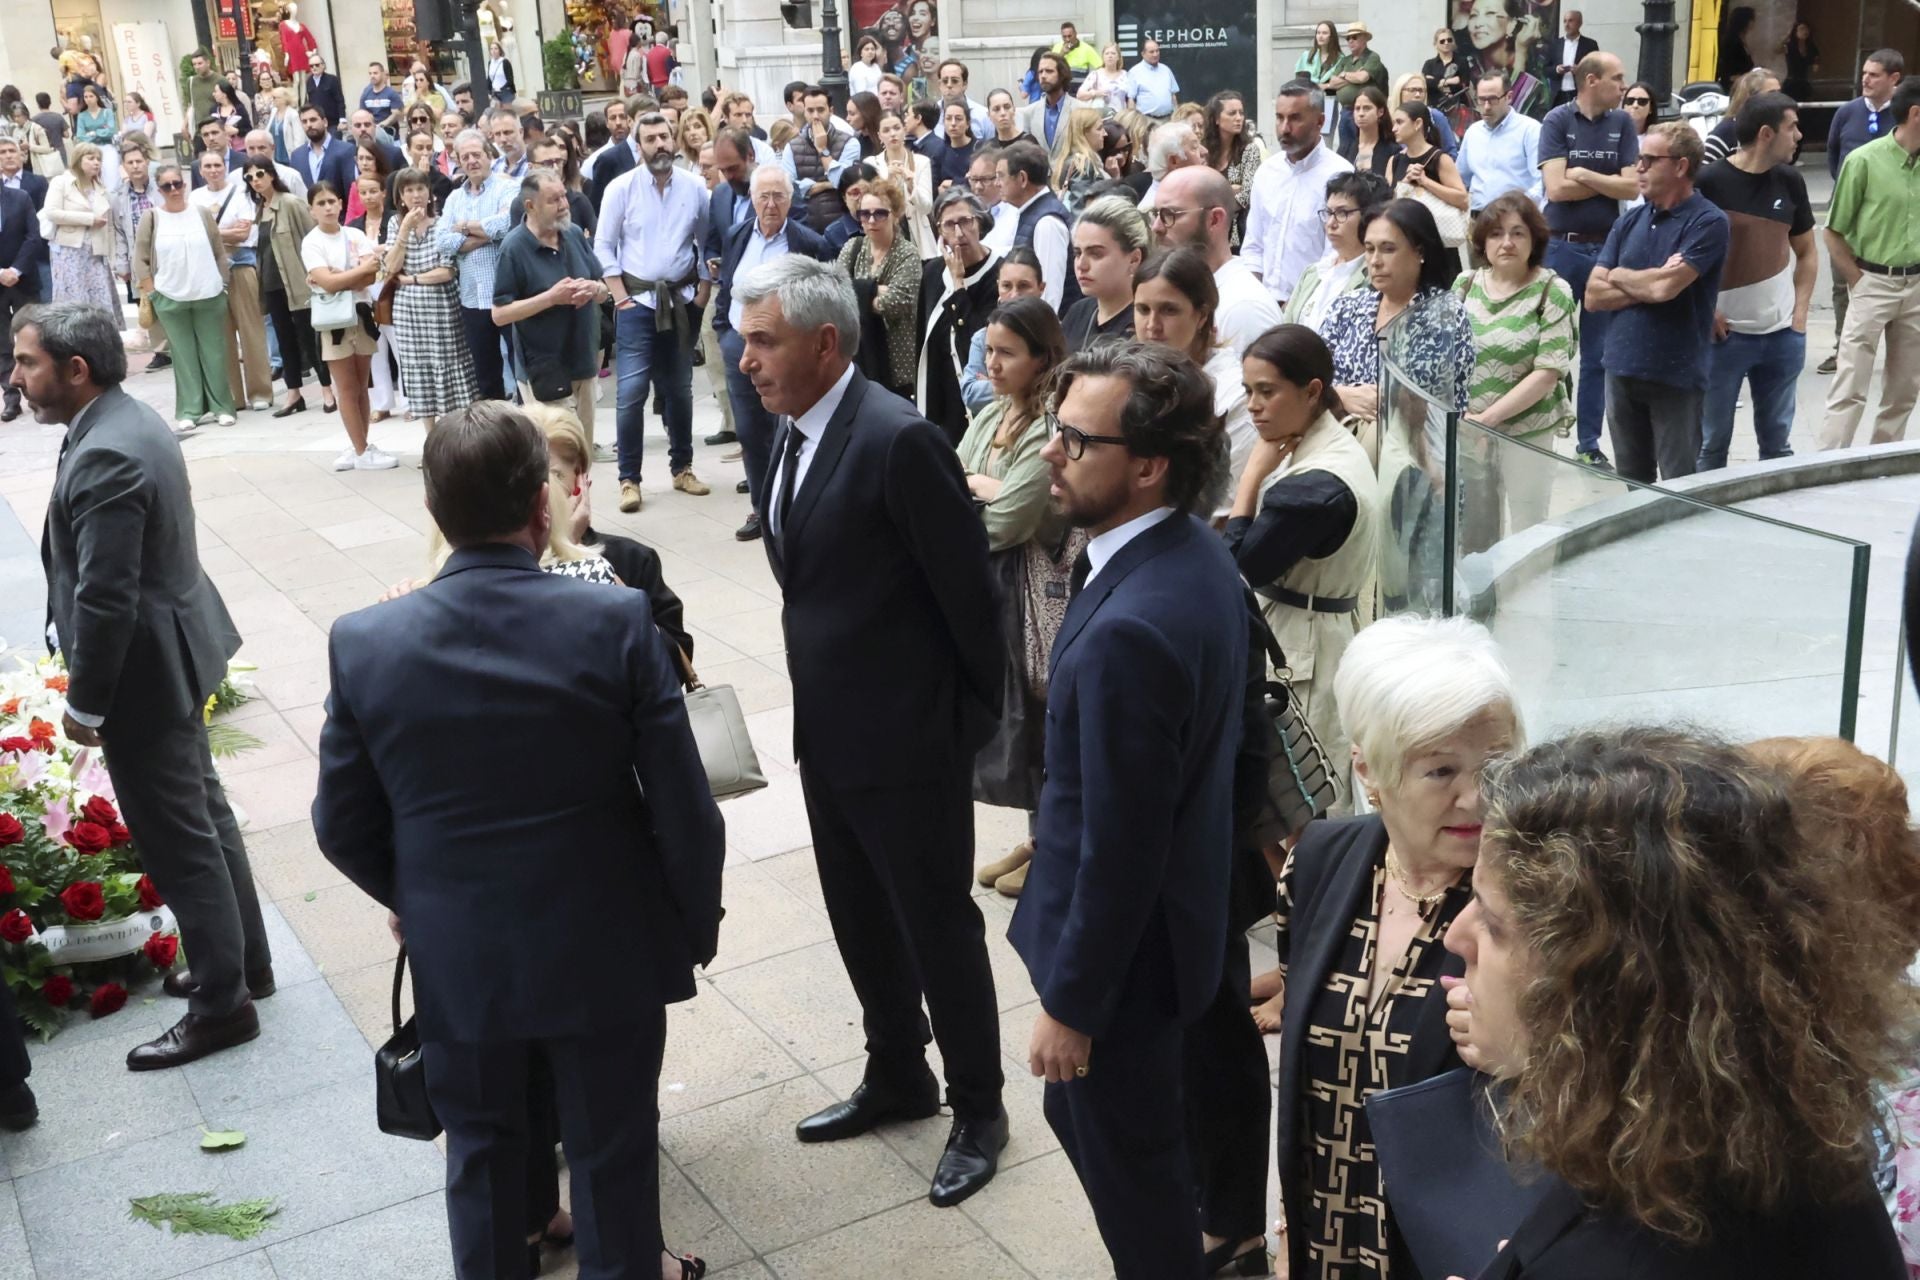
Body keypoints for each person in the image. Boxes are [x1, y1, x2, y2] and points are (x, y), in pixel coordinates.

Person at [312, 401, 722, 1280]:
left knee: (484, 1158)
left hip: (460, 952)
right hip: (603, 940)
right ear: (543, 505)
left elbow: (339, 822)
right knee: (613, 1156)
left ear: (434, 509)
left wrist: (417, 895)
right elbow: (686, 807)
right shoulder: (614, 622)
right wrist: (693, 925)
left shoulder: (365, 641)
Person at [737, 254, 1008, 1207]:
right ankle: (898, 1069)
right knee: (858, 913)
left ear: (825, 343)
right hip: (830, 733)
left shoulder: (898, 439)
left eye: (763, 341)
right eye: (743, 340)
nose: (745, 361)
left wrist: (959, 727)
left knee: (935, 923)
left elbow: (972, 601)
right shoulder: (790, 430)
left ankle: (981, 1106)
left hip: (910, 740)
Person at [1443, 727, 1909, 1280]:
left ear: (1608, 982)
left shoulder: (1637, 1252)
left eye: (1493, 922)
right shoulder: (1778, 1144)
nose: (1455, 936)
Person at [1009, 338, 1245, 1278]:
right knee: (1093, 1122)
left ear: (1148, 467)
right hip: (1169, 941)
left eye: (1075, 439)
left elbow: (1121, 845)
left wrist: (1073, 1005)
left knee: (1135, 1179)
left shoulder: (1132, 630)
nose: (1050, 451)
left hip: (1128, 968)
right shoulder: (1192, 555)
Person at [20, 302, 272, 1070]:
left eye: (26, 362)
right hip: (173, 652)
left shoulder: (108, 451)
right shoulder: (122, 420)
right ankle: (245, 966)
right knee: (205, 817)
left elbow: (106, 597)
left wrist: (85, 702)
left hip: (143, 677)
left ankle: (223, 1007)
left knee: (179, 840)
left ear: (75, 369)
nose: (15, 376)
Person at [1269, 613, 1520, 1279]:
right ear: (1368, 771)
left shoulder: (1531, 901)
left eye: (1496, 765)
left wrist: (1524, 1054)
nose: (1477, 797)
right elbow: (1307, 1074)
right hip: (1328, 1235)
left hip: (1453, 1256)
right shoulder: (1319, 863)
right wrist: (1291, 1221)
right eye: (1441, 770)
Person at [1227, 324, 1382, 807]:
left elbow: (1238, 568)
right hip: (1315, 633)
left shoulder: (1316, 487)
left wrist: (1251, 477)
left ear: (1312, 391)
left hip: (1302, 651)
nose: (1254, 406)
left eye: (1267, 391)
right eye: (1248, 391)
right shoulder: (1328, 445)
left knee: (1300, 803)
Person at [956, 295, 1070, 897]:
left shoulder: (1050, 426)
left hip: (1036, 590)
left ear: (1042, 357)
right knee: (1020, 718)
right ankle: (1039, 837)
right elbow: (947, 486)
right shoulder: (993, 414)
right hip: (995, 587)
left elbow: (1009, 522)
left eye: (1007, 353)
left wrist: (978, 491)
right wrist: (982, 487)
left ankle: (1054, 845)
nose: (992, 364)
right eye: (990, 351)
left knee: (1043, 713)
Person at [1585, 122, 1729, 482]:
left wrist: (1618, 274)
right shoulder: (1629, 220)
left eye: (1649, 160)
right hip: (1621, 369)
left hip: (1675, 376)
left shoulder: (1708, 221)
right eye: (1639, 159)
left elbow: (1664, 289)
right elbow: (1593, 296)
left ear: (1680, 166)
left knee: (1679, 487)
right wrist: (1647, 280)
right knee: (1633, 484)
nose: (1639, 167)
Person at [597, 110, 713, 510]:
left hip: (681, 301)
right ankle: (629, 479)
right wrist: (620, 297)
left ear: (673, 139)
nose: (660, 144)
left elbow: (706, 243)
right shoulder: (621, 188)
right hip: (637, 302)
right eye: (650, 139)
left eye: (664, 136)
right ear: (639, 146)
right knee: (631, 392)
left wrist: (703, 292)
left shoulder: (694, 187)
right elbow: (603, 245)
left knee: (680, 388)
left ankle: (683, 468)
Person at [1452, 191, 1578, 545]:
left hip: (1527, 430)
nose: (1506, 243)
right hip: (1469, 429)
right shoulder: (1464, 285)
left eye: (1517, 233)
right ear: (1482, 241)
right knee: (1474, 532)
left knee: (1528, 530)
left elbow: (1548, 372)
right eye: (1496, 233)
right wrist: (1468, 420)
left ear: (1534, 239)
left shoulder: (1553, 290)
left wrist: (1487, 421)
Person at [1696, 93, 1813, 471]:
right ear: (1766, 133)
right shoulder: (1709, 181)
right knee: (1710, 445)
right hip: (1723, 338)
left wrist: (1799, 317)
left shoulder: (1790, 181)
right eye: (1792, 127)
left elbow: (1808, 253)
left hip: (1781, 337)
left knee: (1777, 446)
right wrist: (1705, 311)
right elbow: (1681, 254)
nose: (1799, 136)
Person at [713, 164, 829, 539]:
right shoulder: (736, 235)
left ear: (790, 201)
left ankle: (791, 507)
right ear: (752, 199)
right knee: (749, 430)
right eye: (764, 196)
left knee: (785, 428)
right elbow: (726, 285)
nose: (771, 204)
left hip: (785, 350)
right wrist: (722, 329)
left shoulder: (808, 243)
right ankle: (761, 510)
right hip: (739, 344)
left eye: (779, 196)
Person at [1539, 50, 1637, 470]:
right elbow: (1556, 190)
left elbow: (1632, 187)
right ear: (1592, 81)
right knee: (1551, 347)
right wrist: (1607, 182)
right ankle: (1542, 430)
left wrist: (1583, 174)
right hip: (1560, 247)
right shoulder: (1557, 121)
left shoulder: (1622, 123)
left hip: (1606, 250)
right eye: (1617, 78)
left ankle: (1589, 442)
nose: (1624, 86)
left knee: (1598, 354)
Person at [1818, 75, 1920, 451]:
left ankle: (1883, 465)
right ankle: (1829, 465)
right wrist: (1857, 280)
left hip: (1916, 287)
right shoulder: (1864, 161)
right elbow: (1833, 231)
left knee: (1904, 390)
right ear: (1916, 114)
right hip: (1872, 280)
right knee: (1850, 386)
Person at [1324, 198, 1473, 416]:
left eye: (1388, 249)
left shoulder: (1445, 314)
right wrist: (1339, 396)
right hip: (1340, 430)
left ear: (1420, 252)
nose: (1375, 261)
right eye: (1369, 249)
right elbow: (1312, 380)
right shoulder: (1347, 306)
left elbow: (1423, 402)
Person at [493, 169, 608, 447]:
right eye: (553, 200)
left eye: (564, 197)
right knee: (556, 455)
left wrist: (594, 290)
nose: (564, 205)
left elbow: (604, 290)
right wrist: (550, 298)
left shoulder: (574, 234)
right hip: (543, 370)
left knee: (582, 452)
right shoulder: (514, 247)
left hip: (583, 361)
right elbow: (499, 314)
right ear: (530, 206)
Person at [1133, 246, 1251, 487]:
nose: (1152, 325)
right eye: (1143, 310)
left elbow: (1228, 497)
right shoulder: (1124, 380)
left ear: (1202, 316)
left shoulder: (1234, 394)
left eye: (1169, 310)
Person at [133, 165, 234, 435]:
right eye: (167, 186)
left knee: (214, 353)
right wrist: (153, 292)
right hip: (170, 295)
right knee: (183, 355)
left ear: (185, 184)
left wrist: (223, 283)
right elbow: (140, 258)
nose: (174, 190)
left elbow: (218, 251)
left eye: (177, 183)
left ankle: (223, 407)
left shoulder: (201, 213)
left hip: (208, 293)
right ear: (159, 190)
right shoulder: (152, 217)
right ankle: (190, 411)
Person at [1821, 49, 1903, 375]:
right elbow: (1833, 157)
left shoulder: (1904, 114)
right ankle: (1843, 348)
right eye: (1864, 73)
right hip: (1847, 213)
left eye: (1874, 75)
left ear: (1894, 78)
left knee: (1892, 285)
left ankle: (1896, 355)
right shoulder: (1847, 112)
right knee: (1842, 284)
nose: (1865, 80)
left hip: (1887, 218)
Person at [303, 181, 392, 469]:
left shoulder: (355, 235)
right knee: (346, 388)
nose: (328, 207)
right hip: (334, 320)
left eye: (332, 201)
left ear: (341, 203)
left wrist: (340, 275)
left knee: (362, 385)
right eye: (321, 203)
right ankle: (361, 450)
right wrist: (352, 274)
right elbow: (328, 283)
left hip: (361, 313)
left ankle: (360, 446)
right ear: (312, 209)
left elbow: (370, 276)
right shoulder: (312, 242)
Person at [379, 165, 475, 430]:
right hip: (408, 311)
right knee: (417, 369)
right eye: (408, 190)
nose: (416, 195)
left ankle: (455, 433)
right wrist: (404, 231)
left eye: (420, 188)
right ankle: (431, 437)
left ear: (429, 192)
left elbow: (446, 271)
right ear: (400, 196)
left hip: (441, 307)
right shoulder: (395, 223)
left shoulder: (442, 222)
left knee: (448, 364)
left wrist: (412, 279)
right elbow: (391, 267)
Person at [1244, 84, 1353, 311]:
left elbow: (1337, 255)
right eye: (1279, 118)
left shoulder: (1341, 175)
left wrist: (1296, 305)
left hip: (1314, 307)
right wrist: (1254, 299)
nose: (1284, 128)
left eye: (1295, 118)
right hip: (1263, 305)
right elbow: (1254, 245)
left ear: (1320, 121)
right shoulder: (1267, 172)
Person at [188, 149, 273, 413]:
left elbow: (243, 233)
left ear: (224, 167)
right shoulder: (195, 198)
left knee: (252, 331)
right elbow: (193, 233)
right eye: (208, 166)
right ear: (200, 171)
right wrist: (225, 232)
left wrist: (211, 232)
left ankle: (260, 391)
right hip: (211, 271)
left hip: (241, 265)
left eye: (217, 165)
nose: (213, 170)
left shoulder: (240, 194)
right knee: (221, 335)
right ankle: (233, 396)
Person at [438, 128, 516, 402]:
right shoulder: (454, 198)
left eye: (476, 154)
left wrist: (464, 227)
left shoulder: (508, 188)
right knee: (486, 374)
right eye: (465, 157)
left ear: (489, 155)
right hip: (472, 297)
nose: (472, 161)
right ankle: (494, 424)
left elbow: (508, 223)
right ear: (458, 161)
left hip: (508, 293)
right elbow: (442, 241)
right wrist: (487, 234)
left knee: (521, 367)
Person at [919, 188, 1003, 441]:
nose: (958, 233)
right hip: (940, 398)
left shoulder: (999, 275)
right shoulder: (933, 271)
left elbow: (977, 340)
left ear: (980, 222)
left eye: (965, 221)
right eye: (949, 225)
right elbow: (922, 341)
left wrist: (958, 285)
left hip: (979, 401)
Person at [840, 175, 921, 403]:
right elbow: (835, 293)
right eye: (865, 214)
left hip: (897, 366)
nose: (871, 220)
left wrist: (857, 293)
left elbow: (896, 303)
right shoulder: (853, 247)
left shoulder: (907, 254)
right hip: (858, 357)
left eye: (880, 213)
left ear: (895, 215)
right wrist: (875, 291)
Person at [1285, 171, 1387, 333]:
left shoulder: (1376, 276)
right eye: (1328, 213)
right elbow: (1286, 330)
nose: (1331, 223)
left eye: (1342, 213)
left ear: (1368, 216)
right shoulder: (1313, 273)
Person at [993, 141, 1075, 310]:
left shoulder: (1048, 223)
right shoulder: (1031, 213)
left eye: (1001, 176)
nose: (996, 183)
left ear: (1022, 179)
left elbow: (1049, 296)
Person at [961, 245, 1043, 410]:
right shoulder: (982, 337)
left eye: (1023, 286)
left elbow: (1057, 386)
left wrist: (997, 384)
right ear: (998, 287)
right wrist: (1029, 383)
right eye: (1007, 286)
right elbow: (970, 393)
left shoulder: (1054, 333)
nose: (1014, 295)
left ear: (1041, 288)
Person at [1061, 195, 1146, 352]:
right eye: (1078, 253)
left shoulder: (1145, 322)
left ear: (1134, 259)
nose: (1081, 265)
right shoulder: (1078, 312)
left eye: (1096, 254)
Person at [42, 143, 118, 315]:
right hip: (69, 251)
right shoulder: (61, 182)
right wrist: (89, 219)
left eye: (98, 159)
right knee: (73, 300)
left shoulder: (101, 188)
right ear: (78, 160)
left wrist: (113, 258)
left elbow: (109, 226)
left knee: (99, 300)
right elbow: (52, 212)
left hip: (96, 252)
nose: (96, 163)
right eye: (91, 158)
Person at [1456, 71, 1543, 215]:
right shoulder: (1473, 132)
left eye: (1493, 99)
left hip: (1516, 216)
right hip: (1478, 216)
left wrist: (1518, 207)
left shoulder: (1530, 130)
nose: (1486, 106)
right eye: (1481, 100)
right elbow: (1460, 178)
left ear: (1509, 97)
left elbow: (1542, 182)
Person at [0, 174, 41, 420]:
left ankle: (39, 393)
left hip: (23, 279)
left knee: (33, 337)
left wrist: (16, 270)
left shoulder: (20, 197)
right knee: (2, 344)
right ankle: (11, 398)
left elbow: (33, 236)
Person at [1388, 102, 1469, 222]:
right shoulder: (1394, 161)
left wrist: (1425, 181)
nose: (1394, 129)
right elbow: (1387, 204)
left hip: (1434, 229)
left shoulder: (1440, 159)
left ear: (1417, 123)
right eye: (1393, 123)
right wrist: (1405, 183)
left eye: (1399, 122)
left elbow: (1463, 200)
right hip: (1401, 228)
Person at [784, 84, 861, 206]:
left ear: (831, 111)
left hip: (838, 212)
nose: (815, 116)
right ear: (804, 112)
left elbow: (844, 183)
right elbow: (788, 188)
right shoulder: (792, 147)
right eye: (810, 111)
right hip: (804, 213)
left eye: (820, 110)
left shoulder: (850, 143)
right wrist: (827, 185)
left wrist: (822, 149)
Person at [1016, 52, 1100, 162]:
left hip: (1072, 171)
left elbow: (1091, 151)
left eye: (1049, 71)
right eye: (1040, 72)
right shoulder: (1029, 112)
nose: (1043, 76)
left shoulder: (1081, 110)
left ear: (1062, 74)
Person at [874, 112, 935, 257]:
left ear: (904, 130)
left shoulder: (921, 162)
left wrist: (911, 185)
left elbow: (926, 207)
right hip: (886, 235)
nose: (892, 134)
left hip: (918, 236)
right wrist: (887, 180)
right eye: (886, 130)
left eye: (897, 128)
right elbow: (873, 208)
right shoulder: (872, 164)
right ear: (879, 136)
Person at [1702, 66, 1779, 168]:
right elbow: (1702, 173)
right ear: (1751, 98)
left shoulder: (1776, 130)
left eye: (1779, 93)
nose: (1779, 99)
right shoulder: (1724, 133)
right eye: (1772, 94)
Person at [293, 104, 356, 198]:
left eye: (313, 120)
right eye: (304, 122)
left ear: (325, 122)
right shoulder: (297, 156)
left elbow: (350, 190)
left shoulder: (346, 150)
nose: (309, 125)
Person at [1392, 75, 1460, 158]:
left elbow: (1451, 152)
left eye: (1421, 90)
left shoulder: (1435, 117)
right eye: (1412, 90)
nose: (1417, 95)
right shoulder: (1389, 119)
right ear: (1400, 92)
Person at [1339, 85, 1399, 177]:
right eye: (1357, 108)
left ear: (1380, 112)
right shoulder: (1345, 148)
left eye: (1367, 108)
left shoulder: (1393, 151)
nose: (1361, 114)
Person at [1300, 23, 1344, 133]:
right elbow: (1300, 81)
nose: (1320, 36)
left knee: (1326, 137)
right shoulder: (1307, 55)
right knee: (1307, 136)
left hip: (1329, 101)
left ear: (1331, 36)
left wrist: (1325, 86)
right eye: (1318, 33)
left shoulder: (1340, 59)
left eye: (1324, 33)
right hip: (1308, 102)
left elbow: (1338, 83)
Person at [1550, 9, 1599, 108]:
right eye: (1565, 21)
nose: (1567, 24)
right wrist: (1557, 69)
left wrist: (1581, 71)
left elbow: (1596, 69)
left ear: (1580, 23)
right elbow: (1546, 69)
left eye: (1571, 21)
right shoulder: (1555, 44)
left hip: (1579, 93)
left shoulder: (1590, 44)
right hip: (1558, 95)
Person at [1078, 45, 1133, 113]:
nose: (1110, 56)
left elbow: (1131, 97)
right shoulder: (1095, 74)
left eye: (1113, 53)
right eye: (1107, 53)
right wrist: (1095, 93)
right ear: (1103, 57)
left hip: (1120, 116)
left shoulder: (1125, 75)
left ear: (1118, 57)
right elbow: (1079, 95)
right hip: (1100, 116)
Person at [305, 54, 346, 135]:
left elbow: (340, 100)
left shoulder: (332, 80)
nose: (314, 68)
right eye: (311, 66)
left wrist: (342, 120)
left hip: (333, 123)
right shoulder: (309, 81)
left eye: (317, 65)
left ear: (323, 65)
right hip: (317, 123)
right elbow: (310, 101)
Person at [1781, 20, 1821, 103]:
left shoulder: (1810, 46)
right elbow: (1777, 49)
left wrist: (1816, 63)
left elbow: (1816, 58)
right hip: (1791, 81)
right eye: (1802, 29)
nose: (1805, 31)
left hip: (1804, 80)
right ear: (1795, 31)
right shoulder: (1789, 45)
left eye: (1807, 29)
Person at [359, 60, 402, 135]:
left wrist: (381, 125)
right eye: (370, 73)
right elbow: (362, 113)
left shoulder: (392, 93)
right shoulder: (365, 94)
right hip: (371, 134)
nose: (372, 76)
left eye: (375, 73)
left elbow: (396, 114)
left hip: (389, 135)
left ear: (382, 74)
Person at [486, 40, 515, 105]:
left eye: (496, 49)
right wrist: (489, 91)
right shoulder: (490, 62)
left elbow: (510, 79)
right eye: (491, 49)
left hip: (505, 92)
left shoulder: (505, 62)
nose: (493, 51)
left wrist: (503, 88)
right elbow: (489, 78)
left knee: (506, 109)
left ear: (500, 50)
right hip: (495, 93)